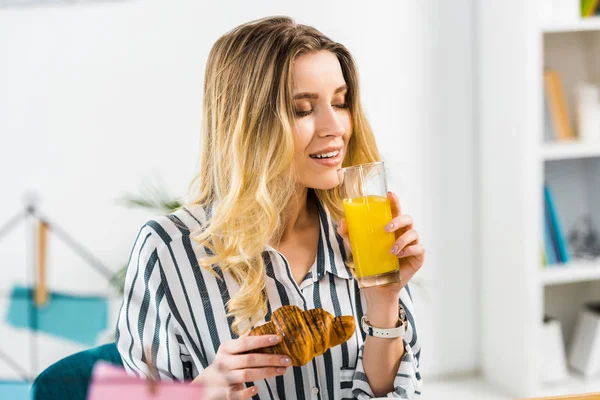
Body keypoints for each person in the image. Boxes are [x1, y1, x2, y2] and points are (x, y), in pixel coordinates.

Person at [116, 16, 424, 400]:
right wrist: (200, 393)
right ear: (247, 123)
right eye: (302, 109)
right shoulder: (168, 250)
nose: (336, 127)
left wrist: (384, 301)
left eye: (340, 103)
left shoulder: (363, 234)